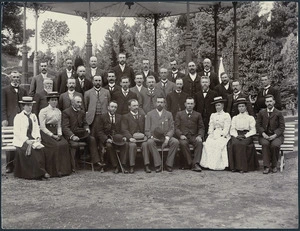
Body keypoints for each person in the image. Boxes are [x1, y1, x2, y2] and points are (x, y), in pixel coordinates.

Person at [62, 96, 104, 171]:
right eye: (77, 102)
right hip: (71, 135)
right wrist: (72, 136)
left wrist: (87, 128)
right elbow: (65, 128)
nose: (79, 104)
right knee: (74, 143)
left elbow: (85, 123)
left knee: (92, 139)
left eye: (80, 102)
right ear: (72, 103)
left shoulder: (82, 112)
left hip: (81, 134)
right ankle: (73, 165)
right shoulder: (66, 112)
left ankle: (96, 162)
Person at [12, 96, 50, 180]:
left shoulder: (33, 116)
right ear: (23, 106)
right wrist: (26, 140)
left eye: (31, 105)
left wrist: (37, 137)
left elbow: (36, 128)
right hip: (22, 140)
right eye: (28, 105)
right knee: (31, 151)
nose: (30, 107)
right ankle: (36, 173)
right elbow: (17, 132)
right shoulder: (18, 117)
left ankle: (41, 172)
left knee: (41, 149)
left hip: (32, 139)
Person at [39, 92, 72, 177]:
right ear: (48, 101)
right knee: (55, 146)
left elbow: (59, 125)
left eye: (56, 100)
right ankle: (55, 171)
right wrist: (52, 135)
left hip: (56, 132)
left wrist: (59, 134)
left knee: (64, 144)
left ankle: (64, 170)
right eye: (52, 100)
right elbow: (42, 127)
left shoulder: (58, 111)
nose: (54, 102)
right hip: (46, 132)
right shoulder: (43, 111)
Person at [2, 71, 28, 173]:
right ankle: (9, 165)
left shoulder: (23, 90)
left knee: (22, 139)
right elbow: (2, 106)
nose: (16, 79)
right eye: (14, 77)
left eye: (17, 77)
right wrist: (4, 119)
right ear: (10, 79)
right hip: (10, 119)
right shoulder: (4, 90)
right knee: (10, 141)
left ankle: (19, 164)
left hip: (22, 118)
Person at [145, 97, 179, 172]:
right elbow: (147, 130)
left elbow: (171, 129)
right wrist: (151, 137)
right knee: (149, 142)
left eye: (161, 102)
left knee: (175, 142)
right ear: (155, 103)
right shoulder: (150, 114)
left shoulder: (168, 114)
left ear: (164, 104)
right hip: (154, 137)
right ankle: (158, 164)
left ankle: (168, 164)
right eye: (158, 102)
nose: (159, 104)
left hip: (165, 137)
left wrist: (167, 139)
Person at [228, 98, 259, 173]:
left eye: (243, 106)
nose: (241, 108)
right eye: (239, 106)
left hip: (247, 135)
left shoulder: (250, 118)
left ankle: (242, 167)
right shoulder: (235, 118)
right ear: (237, 108)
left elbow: (253, 130)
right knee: (234, 143)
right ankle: (234, 167)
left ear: (246, 107)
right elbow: (232, 129)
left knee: (242, 144)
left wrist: (245, 136)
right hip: (237, 134)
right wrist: (236, 135)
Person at [200, 96, 231, 170]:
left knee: (218, 144)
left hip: (223, 134)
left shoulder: (226, 115)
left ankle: (218, 165)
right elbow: (211, 126)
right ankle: (208, 164)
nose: (217, 107)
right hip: (214, 133)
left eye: (219, 105)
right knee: (208, 143)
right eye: (216, 105)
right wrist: (210, 134)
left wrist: (221, 135)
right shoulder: (213, 115)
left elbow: (227, 128)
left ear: (223, 105)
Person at [256, 95, 285, 174]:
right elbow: (258, 125)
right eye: (267, 101)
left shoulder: (278, 113)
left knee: (275, 145)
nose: (269, 103)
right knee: (265, 144)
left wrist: (275, 135)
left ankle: (274, 165)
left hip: (276, 136)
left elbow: (282, 127)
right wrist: (263, 133)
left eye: (270, 101)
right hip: (264, 135)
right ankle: (266, 166)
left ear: (274, 102)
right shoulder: (261, 113)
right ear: (265, 103)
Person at [98, 101, 129, 173]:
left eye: (115, 107)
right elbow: (99, 131)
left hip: (118, 138)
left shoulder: (120, 117)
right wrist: (106, 139)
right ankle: (116, 166)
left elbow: (123, 129)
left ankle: (123, 165)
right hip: (107, 138)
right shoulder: (102, 117)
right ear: (108, 107)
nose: (113, 109)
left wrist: (124, 136)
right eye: (112, 107)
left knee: (126, 144)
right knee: (109, 146)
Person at [175, 97, 205, 172]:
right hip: (184, 136)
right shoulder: (179, 114)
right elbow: (176, 127)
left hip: (194, 136)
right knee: (183, 143)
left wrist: (199, 135)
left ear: (194, 105)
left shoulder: (198, 115)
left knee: (199, 142)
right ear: (185, 104)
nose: (189, 105)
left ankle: (196, 163)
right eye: (188, 103)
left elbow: (201, 127)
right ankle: (192, 164)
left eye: (191, 104)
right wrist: (180, 135)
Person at [121, 99, 151, 173]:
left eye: (137, 105)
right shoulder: (125, 117)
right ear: (129, 107)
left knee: (145, 144)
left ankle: (146, 165)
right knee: (132, 146)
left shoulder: (143, 116)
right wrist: (130, 138)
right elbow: (124, 130)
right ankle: (132, 166)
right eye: (134, 106)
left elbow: (146, 127)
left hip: (142, 138)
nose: (136, 107)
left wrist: (146, 135)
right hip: (132, 139)